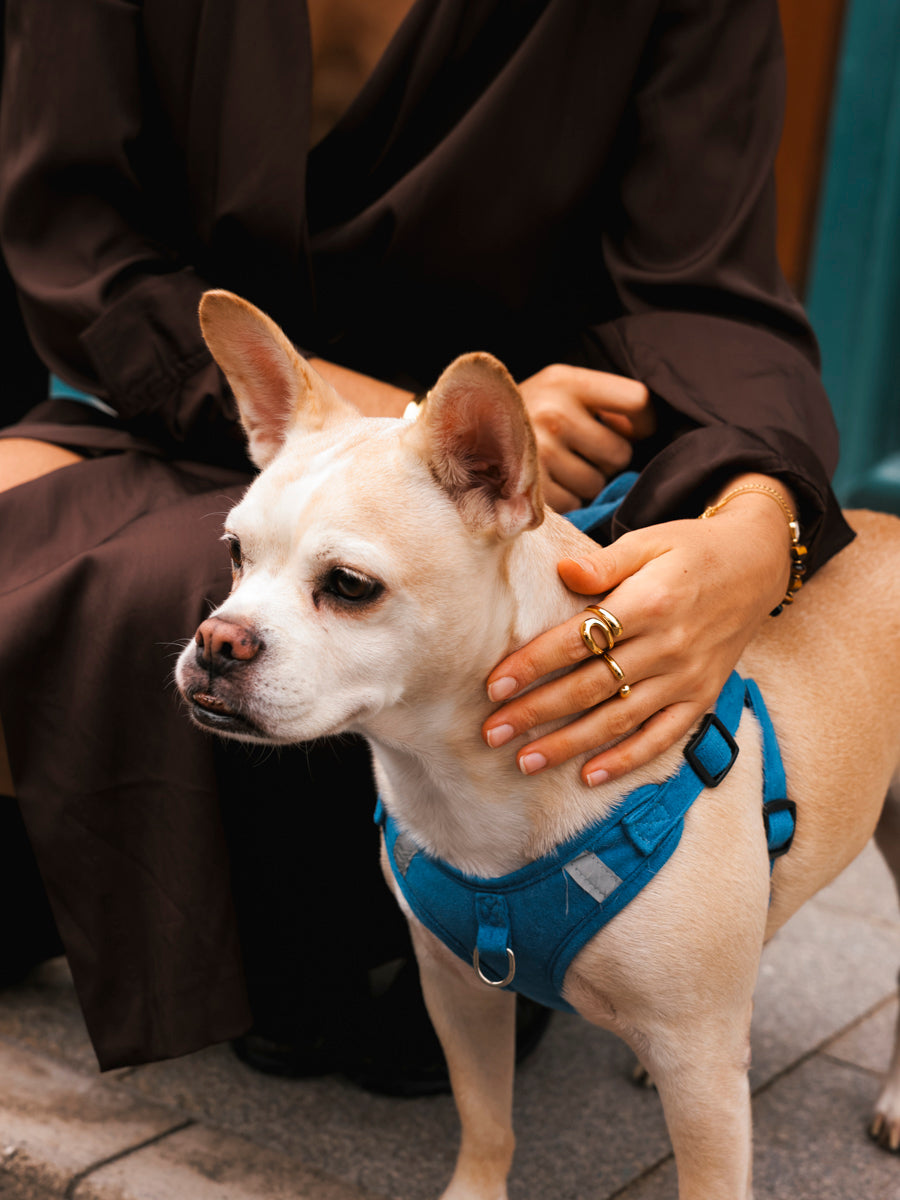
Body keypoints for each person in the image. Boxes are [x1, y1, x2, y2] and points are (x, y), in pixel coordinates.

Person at [0, 0, 852, 1088]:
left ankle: (450, 917)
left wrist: (763, 527)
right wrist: (374, 430)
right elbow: (79, 237)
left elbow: (705, 291)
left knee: (251, 589)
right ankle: (137, 898)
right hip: (217, 402)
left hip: (513, 464)